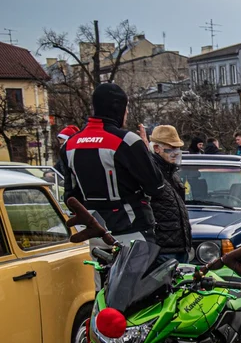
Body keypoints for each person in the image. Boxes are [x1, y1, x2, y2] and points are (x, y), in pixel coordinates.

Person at [65, 83, 164, 239]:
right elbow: (156, 186)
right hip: (132, 229)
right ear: (119, 109)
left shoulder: (69, 144)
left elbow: (69, 196)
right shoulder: (128, 141)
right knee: (140, 264)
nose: (127, 112)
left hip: (93, 231)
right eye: (126, 108)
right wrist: (148, 152)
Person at [147, 125, 193, 262]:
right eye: (171, 149)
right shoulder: (151, 173)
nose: (175, 153)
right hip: (163, 250)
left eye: (177, 148)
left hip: (180, 247)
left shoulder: (172, 174)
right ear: (156, 149)